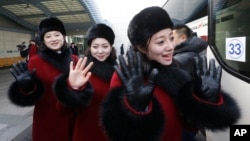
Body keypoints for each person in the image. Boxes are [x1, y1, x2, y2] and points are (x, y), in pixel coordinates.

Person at [100, 6, 240, 141]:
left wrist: (205, 102)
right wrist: (134, 111)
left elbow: (189, 126)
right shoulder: (126, 77)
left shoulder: (176, 70)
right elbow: (118, 133)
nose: (170, 47)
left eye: (171, 38)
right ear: (141, 48)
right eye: (161, 42)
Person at [8, 17, 93, 141]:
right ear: (43, 40)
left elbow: (84, 89)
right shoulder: (35, 61)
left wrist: (80, 88)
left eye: (57, 34)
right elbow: (32, 96)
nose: (53, 39)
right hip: (47, 120)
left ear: (63, 36)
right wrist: (27, 88)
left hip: (73, 117)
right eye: (48, 36)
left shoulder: (75, 59)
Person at [55, 23, 117, 141]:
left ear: (111, 47)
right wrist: (71, 88)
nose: (100, 51)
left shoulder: (119, 71)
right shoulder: (81, 70)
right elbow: (61, 110)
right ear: (90, 48)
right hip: (84, 132)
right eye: (95, 46)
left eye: (105, 46)